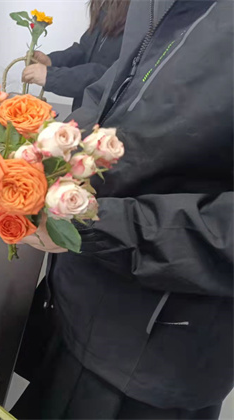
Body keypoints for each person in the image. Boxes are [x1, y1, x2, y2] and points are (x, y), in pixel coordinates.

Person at [12, 0, 233, 418]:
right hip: (76, 303)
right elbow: (112, 89)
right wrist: (55, 157)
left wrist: (100, 225)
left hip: (153, 352)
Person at [22, 0, 129, 111]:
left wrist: (51, 77)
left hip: (109, 116)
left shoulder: (138, 18)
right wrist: (51, 61)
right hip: (84, 112)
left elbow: (112, 77)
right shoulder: (109, 7)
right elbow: (84, 50)